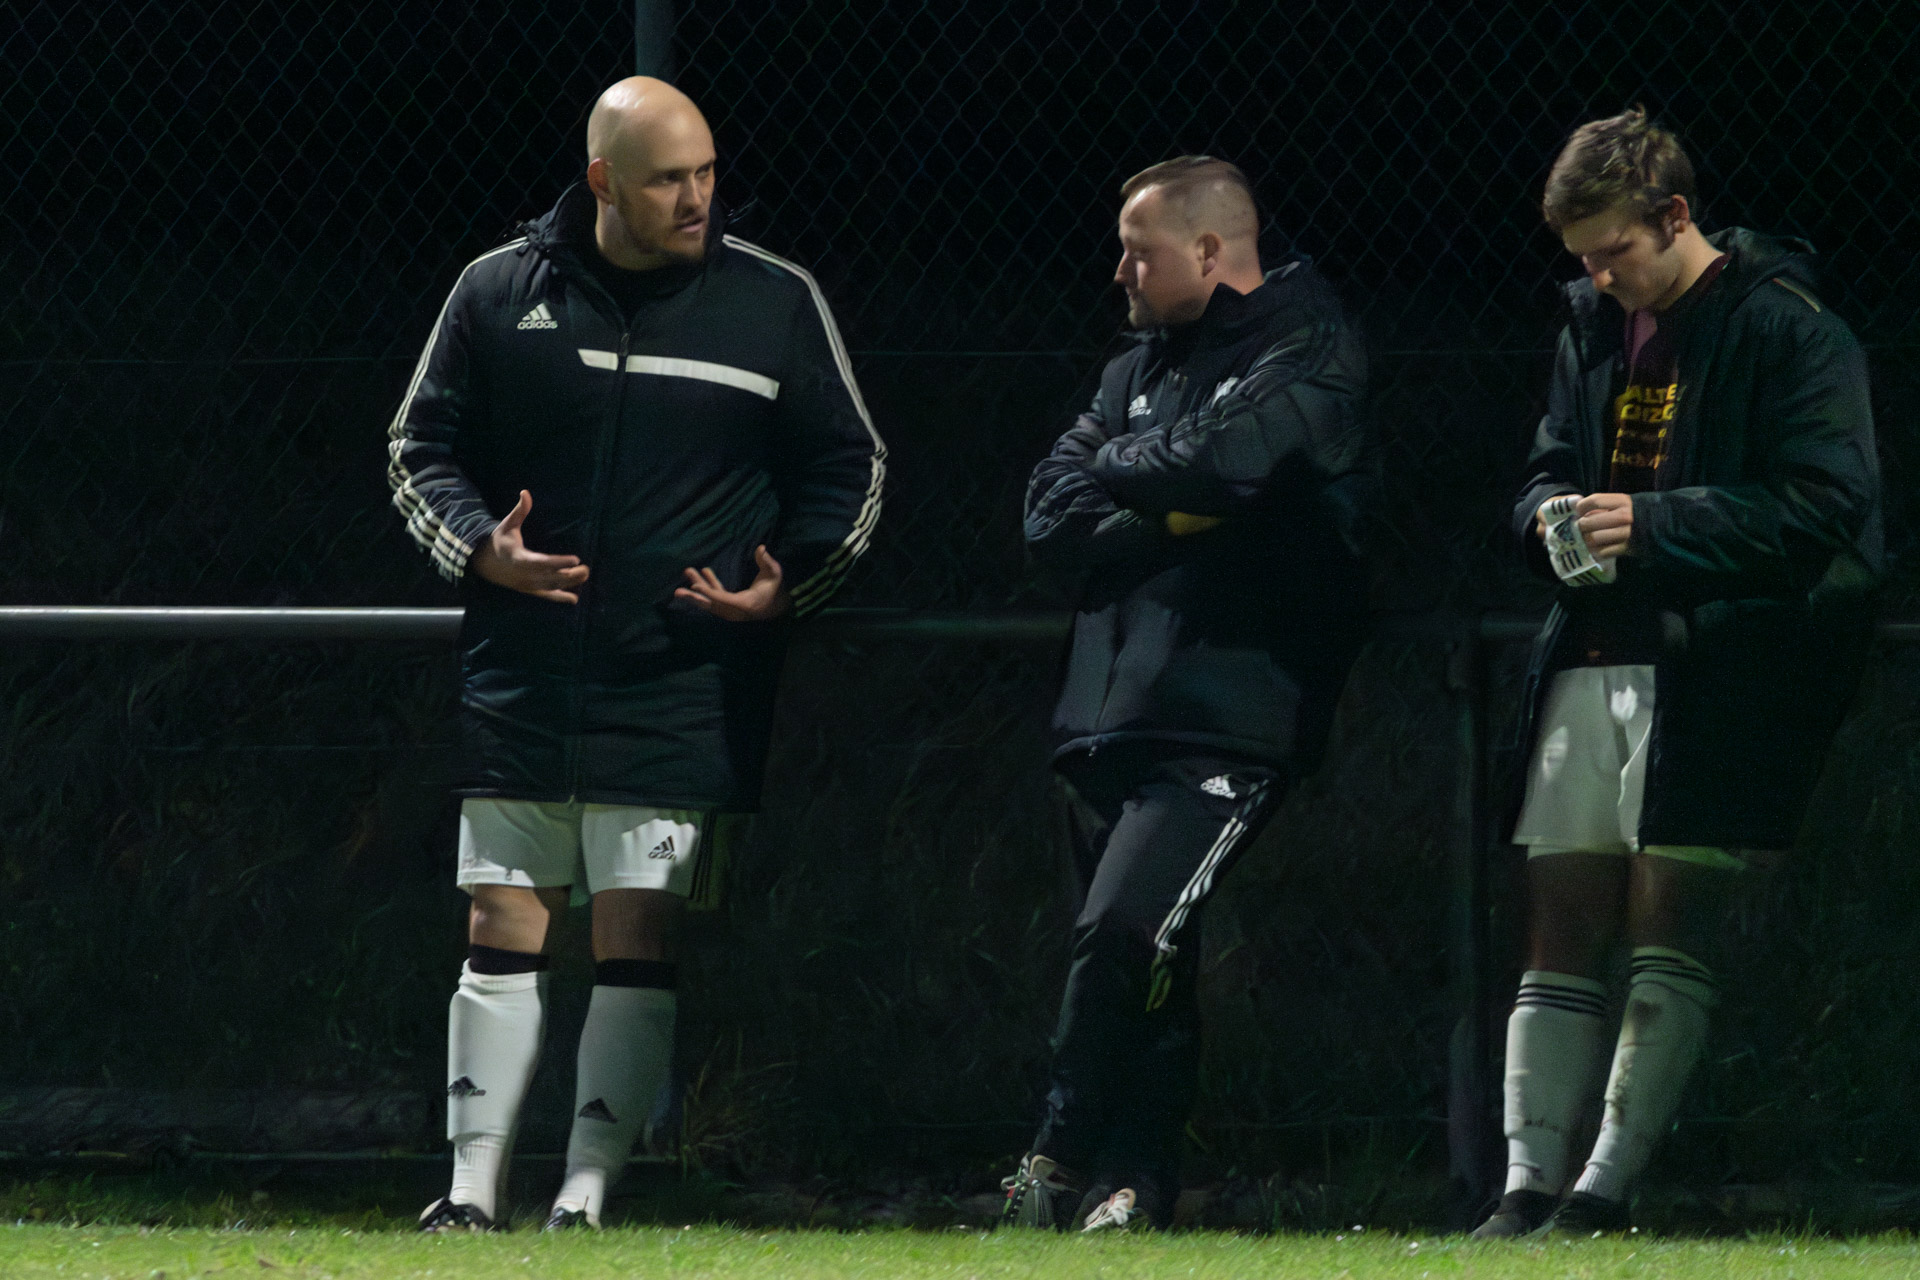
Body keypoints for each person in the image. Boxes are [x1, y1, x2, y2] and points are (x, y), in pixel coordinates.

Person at [386, 76, 884, 1232]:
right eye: (669, 179)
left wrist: (791, 581)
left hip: (679, 674)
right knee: (499, 919)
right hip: (525, 667)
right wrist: (480, 547)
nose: (698, 197)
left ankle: (587, 1191)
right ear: (603, 180)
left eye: (707, 172)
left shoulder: (772, 300)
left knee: (637, 923)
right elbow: (418, 445)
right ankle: (469, 1191)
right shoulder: (498, 290)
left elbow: (850, 464)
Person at [1476, 107, 1880, 1238]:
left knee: (1670, 921)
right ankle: (1523, 1188)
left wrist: (1652, 526)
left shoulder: (1788, 328)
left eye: (1615, 251)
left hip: (1719, 665)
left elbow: (1826, 506)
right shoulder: (1591, 328)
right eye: (1583, 260)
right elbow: (1547, 467)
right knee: (1560, 917)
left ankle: (1603, 1192)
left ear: (1676, 215)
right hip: (1592, 652)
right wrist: (1546, 519)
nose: (1601, 278)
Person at [1007, 156, 1372, 1232]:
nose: (1119, 271)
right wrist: (1163, 509)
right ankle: (1136, 1182)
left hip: (1226, 714)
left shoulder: (1309, 347)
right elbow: (1046, 514)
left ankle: (1052, 1158)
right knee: (1153, 949)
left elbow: (1227, 462)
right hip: (1106, 708)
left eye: (1140, 251)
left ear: (1210, 252)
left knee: (1124, 930)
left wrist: (1127, 473)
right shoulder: (1133, 365)